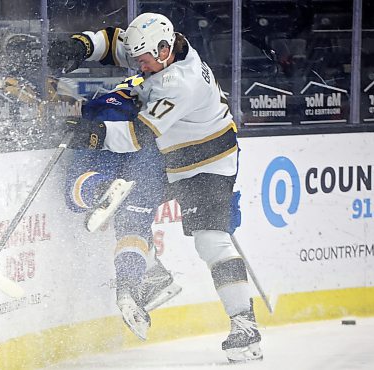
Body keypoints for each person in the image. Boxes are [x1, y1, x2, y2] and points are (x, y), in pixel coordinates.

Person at [47, 12, 263, 363]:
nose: (140, 66)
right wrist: (81, 46)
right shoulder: (159, 49)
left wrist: (92, 133)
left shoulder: (181, 81)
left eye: (145, 61)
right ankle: (154, 275)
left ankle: (245, 326)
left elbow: (137, 137)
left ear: (165, 51)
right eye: (139, 60)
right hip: (170, 156)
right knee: (131, 208)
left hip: (208, 162)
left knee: (210, 239)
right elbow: (116, 41)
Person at [63, 75, 181, 340]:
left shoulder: (109, 102)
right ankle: (146, 279)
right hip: (153, 156)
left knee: (77, 193)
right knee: (133, 224)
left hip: (119, 142)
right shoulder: (178, 97)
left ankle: (99, 189)